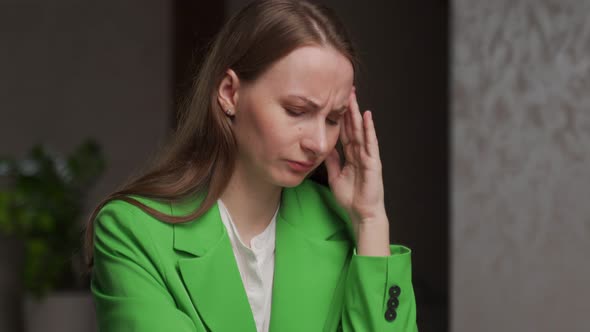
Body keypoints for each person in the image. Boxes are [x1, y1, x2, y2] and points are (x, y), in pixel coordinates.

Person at [84, 0, 418, 331]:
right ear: (229, 92)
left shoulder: (347, 230)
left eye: (332, 118)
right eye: (297, 110)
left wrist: (371, 219)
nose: (318, 142)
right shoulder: (132, 231)